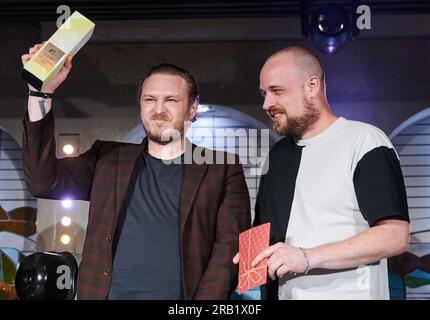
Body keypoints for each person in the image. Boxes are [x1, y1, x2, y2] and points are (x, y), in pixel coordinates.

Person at [21, 42, 251, 300]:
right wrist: (40, 93)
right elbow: (43, 182)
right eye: (150, 99)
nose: (159, 109)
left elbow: (229, 254)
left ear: (192, 108)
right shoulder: (107, 158)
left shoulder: (222, 170)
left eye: (171, 100)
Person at [234, 46, 410, 300]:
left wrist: (305, 257)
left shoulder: (364, 141)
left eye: (277, 91)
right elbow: (266, 234)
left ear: (312, 86)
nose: (266, 104)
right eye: (264, 93)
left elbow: (394, 236)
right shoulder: (277, 155)